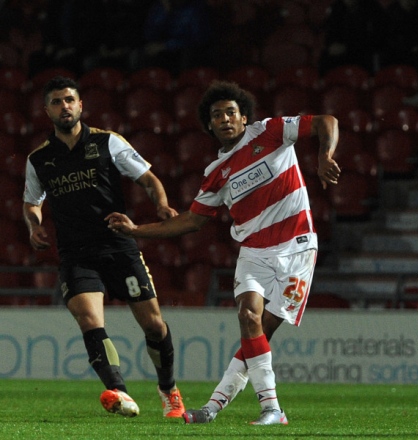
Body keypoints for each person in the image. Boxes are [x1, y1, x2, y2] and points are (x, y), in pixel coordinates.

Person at [106, 80, 341, 425]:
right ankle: (272, 409)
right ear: (210, 125)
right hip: (253, 253)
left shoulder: (271, 132)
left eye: (231, 112)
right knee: (248, 318)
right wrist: (136, 231)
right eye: (217, 115)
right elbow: (190, 222)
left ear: (244, 117)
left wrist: (325, 155)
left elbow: (327, 122)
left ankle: (213, 407)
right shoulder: (216, 174)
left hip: (297, 247)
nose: (225, 119)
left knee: (260, 333)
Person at [22, 76, 185, 418]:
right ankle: (121, 394)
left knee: (154, 325)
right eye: (56, 101)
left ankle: (168, 388)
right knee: (88, 319)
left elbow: (148, 179)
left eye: (69, 99)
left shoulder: (109, 142)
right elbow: (31, 201)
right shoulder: (39, 159)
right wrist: (34, 226)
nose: (64, 106)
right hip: (76, 254)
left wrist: (161, 205)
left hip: (118, 247)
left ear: (81, 105)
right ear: (46, 110)